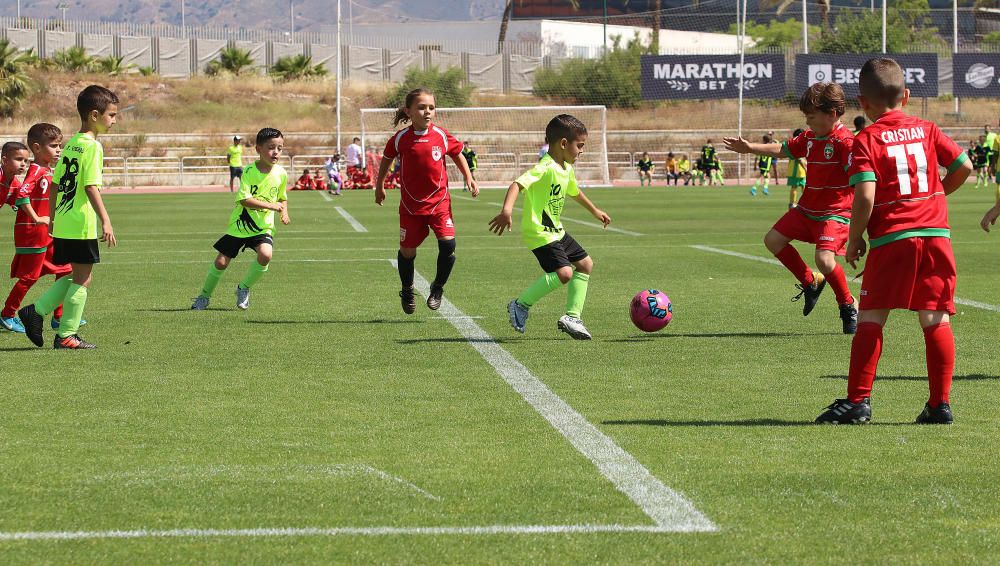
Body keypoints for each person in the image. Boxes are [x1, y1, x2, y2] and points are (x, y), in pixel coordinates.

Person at [816, 57, 972, 425]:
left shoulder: (866, 138)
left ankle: (858, 402)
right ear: (906, 95)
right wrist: (936, 195)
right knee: (935, 319)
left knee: (871, 317)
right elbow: (964, 166)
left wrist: (854, 240)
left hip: (893, 238)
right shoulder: (928, 128)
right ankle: (939, 405)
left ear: (863, 103)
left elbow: (866, 195)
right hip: (936, 236)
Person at [724, 82, 858, 334]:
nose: (808, 123)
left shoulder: (845, 143)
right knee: (773, 240)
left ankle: (848, 304)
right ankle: (811, 282)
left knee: (825, 260)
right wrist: (750, 148)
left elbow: (861, 180)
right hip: (807, 210)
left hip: (834, 214)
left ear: (832, 114)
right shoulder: (809, 138)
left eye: (811, 117)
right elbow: (783, 149)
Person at [488, 114, 611, 340]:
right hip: (539, 231)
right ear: (564, 144)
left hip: (556, 230)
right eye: (580, 145)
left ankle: (572, 317)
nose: (582, 151)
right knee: (564, 273)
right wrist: (506, 211)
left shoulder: (565, 168)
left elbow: (574, 191)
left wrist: (594, 210)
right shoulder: (545, 167)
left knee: (585, 264)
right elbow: (517, 184)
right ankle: (520, 304)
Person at [17, 85, 119, 350]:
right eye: (112, 115)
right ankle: (65, 334)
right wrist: (106, 220)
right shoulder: (93, 147)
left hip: (63, 220)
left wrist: (52, 218)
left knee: (76, 274)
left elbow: (55, 185)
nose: (114, 121)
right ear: (94, 115)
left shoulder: (72, 144)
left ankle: (36, 312)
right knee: (83, 278)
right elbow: (90, 187)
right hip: (80, 223)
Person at [375, 88, 478, 314]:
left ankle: (438, 288)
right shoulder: (401, 138)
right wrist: (379, 185)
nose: (427, 111)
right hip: (411, 208)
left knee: (449, 245)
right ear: (409, 111)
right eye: (421, 107)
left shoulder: (441, 135)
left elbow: (457, 153)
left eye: (431, 107)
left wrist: (468, 177)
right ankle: (407, 288)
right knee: (407, 252)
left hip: (440, 203)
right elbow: (387, 159)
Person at [191, 128, 289, 311]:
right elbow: (244, 200)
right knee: (221, 262)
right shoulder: (249, 172)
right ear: (258, 149)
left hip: (262, 227)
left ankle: (243, 288)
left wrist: (284, 212)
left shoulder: (281, 173)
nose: (276, 152)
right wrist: (271, 206)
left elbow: (282, 197)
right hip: (240, 226)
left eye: (280, 148)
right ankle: (204, 296)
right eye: (271, 147)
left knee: (266, 254)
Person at [2, 127, 74, 334]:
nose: (59, 150)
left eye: (60, 145)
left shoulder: (48, 171)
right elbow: (23, 195)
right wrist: (37, 218)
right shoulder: (36, 171)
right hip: (33, 232)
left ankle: (59, 317)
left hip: (47, 231)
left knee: (66, 270)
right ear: (37, 147)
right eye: (53, 146)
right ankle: (7, 314)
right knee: (30, 277)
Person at [786, 128, 807, 209]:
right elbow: (800, 159)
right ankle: (795, 203)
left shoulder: (791, 143)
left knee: (799, 187)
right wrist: (806, 168)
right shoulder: (798, 144)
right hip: (798, 171)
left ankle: (792, 203)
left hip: (793, 170)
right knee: (800, 186)